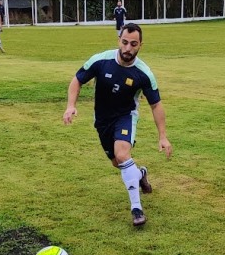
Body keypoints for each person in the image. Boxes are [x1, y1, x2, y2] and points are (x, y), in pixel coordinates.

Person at [63, 23, 172, 227]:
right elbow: (77, 80)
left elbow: (156, 105)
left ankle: (136, 209)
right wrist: (71, 106)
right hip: (102, 120)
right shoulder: (101, 60)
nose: (128, 48)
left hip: (125, 116)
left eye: (133, 44)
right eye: (124, 42)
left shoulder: (143, 73)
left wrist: (163, 136)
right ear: (118, 40)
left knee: (122, 154)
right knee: (118, 162)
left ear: (140, 45)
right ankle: (140, 174)